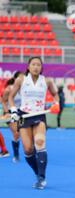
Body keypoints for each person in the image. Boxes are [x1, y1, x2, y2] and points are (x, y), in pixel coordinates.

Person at [8, 56, 59, 189]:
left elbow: (55, 94)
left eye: (38, 65)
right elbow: (10, 97)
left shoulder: (46, 81)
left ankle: (42, 178)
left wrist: (56, 104)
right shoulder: (21, 79)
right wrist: (13, 111)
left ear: (41, 67)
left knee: (40, 143)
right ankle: (38, 173)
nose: (36, 67)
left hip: (40, 116)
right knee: (28, 149)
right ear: (28, 66)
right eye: (33, 64)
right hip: (24, 116)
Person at [1, 71, 23, 162]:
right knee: (16, 133)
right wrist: (6, 112)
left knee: (22, 132)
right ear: (15, 79)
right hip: (11, 113)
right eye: (21, 77)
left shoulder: (25, 89)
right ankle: (15, 154)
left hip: (21, 113)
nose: (23, 79)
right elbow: (3, 101)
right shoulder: (9, 89)